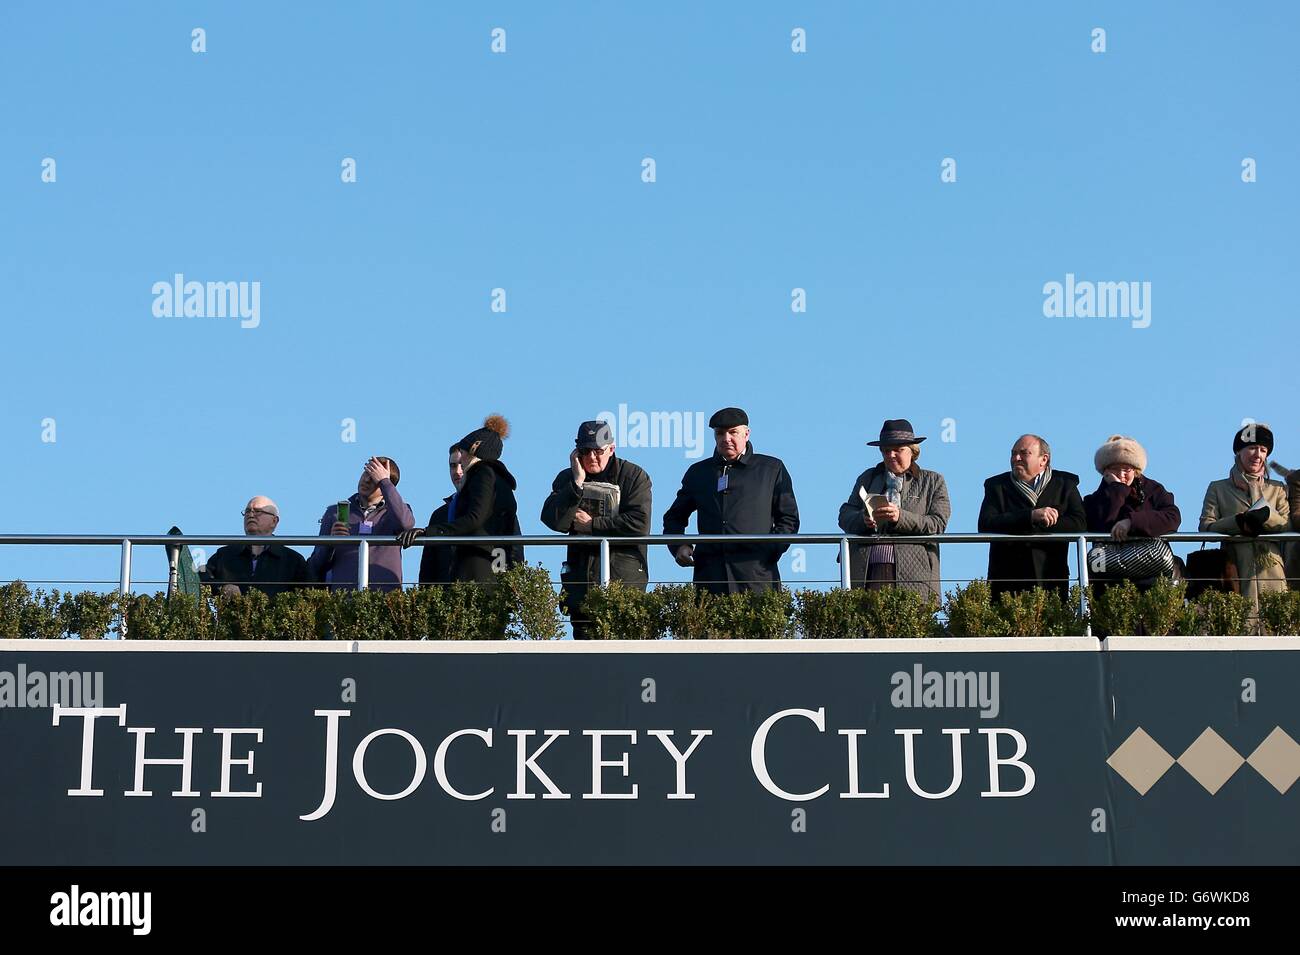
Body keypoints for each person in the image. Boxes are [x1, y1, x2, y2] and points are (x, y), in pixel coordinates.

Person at [662, 407, 799, 594]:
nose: (726, 438)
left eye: (733, 432)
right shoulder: (699, 473)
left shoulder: (771, 468)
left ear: (746, 434)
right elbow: (674, 518)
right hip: (710, 579)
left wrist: (769, 551)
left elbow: (789, 519)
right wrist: (679, 546)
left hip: (757, 577)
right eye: (720, 433)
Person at [540, 421, 652, 638]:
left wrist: (592, 525)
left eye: (598, 451)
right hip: (581, 585)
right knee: (585, 659)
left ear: (611, 448)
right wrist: (576, 484)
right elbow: (552, 521)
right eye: (585, 451)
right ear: (576, 452)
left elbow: (639, 524)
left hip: (624, 584)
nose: (591, 457)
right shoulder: (568, 477)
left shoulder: (634, 476)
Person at [836, 419, 950, 600]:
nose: (891, 455)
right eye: (886, 450)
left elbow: (938, 523)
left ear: (913, 451)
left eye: (898, 449)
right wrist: (862, 519)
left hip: (915, 573)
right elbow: (845, 515)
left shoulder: (933, 481)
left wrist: (900, 517)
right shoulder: (867, 477)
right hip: (866, 571)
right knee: (867, 624)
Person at [400, 415, 518, 585]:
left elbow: (475, 518)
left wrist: (431, 532)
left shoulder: (482, 473)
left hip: (476, 571)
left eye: (462, 452)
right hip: (492, 570)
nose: (460, 461)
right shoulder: (501, 480)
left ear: (474, 449)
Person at [978, 434, 1087, 599]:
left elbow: (1079, 523)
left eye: (1024, 453)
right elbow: (986, 524)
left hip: (1051, 579)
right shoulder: (996, 486)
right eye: (1013, 453)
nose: (1016, 458)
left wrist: (1046, 521)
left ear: (1044, 459)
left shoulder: (1065, 484)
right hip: (1006, 582)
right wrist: (1030, 517)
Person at [1199, 423, 1290, 607]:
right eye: (1252, 448)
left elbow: (1287, 525)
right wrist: (1238, 522)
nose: (1258, 455)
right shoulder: (1218, 488)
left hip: (1272, 571)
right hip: (1234, 568)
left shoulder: (1278, 488)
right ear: (1239, 451)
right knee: (1240, 625)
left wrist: (1266, 516)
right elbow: (1206, 525)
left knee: (1276, 627)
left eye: (1263, 450)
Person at [418, 443, 525, 586]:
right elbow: (428, 568)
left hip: (486, 590)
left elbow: (513, 550)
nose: (457, 471)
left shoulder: (494, 509)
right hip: (445, 599)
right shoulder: (439, 515)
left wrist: (508, 589)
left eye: (461, 464)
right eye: (452, 466)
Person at [1083, 435, 1182, 587]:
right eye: (1115, 469)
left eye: (1127, 469)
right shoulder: (1094, 500)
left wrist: (1131, 522)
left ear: (1136, 470)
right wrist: (1117, 490)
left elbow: (1172, 517)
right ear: (1105, 472)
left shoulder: (1154, 490)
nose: (1122, 474)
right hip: (1110, 578)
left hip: (1152, 573)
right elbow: (1100, 524)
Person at [308, 456, 415, 591]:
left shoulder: (397, 512)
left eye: (374, 478)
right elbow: (315, 566)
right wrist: (330, 543)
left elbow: (406, 525)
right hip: (342, 599)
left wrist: (384, 481)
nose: (366, 480)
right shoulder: (335, 512)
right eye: (366, 473)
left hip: (385, 598)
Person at [201, 496, 314, 597]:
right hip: (233, 620)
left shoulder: (292, 560)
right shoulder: (226, 554)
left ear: (274, 521)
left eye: (258, 511)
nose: (251, 515)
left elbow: (308, 595)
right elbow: (199, 576)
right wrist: (222, 587)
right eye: (247, 511)